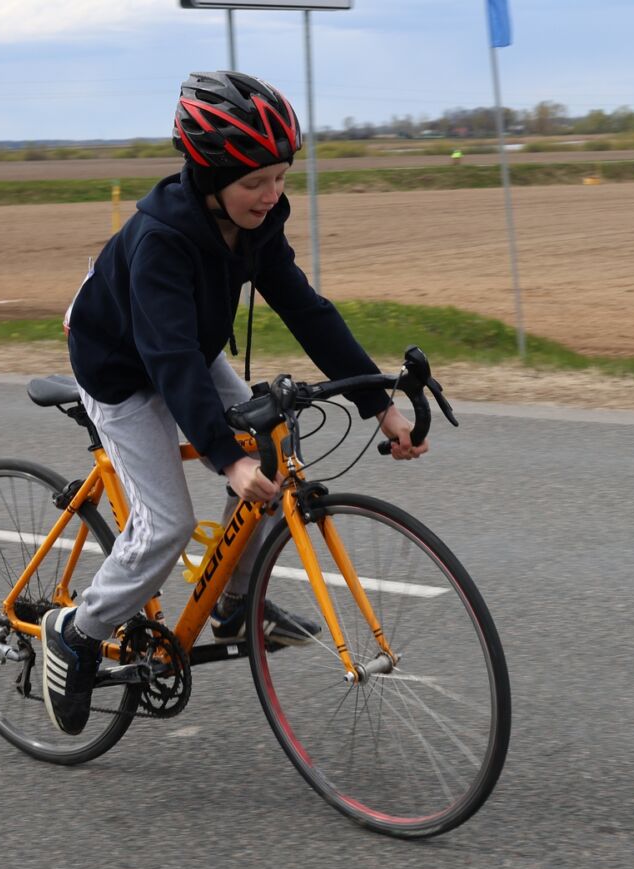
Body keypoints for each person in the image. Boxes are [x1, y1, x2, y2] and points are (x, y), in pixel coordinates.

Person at [42, 70, 428, 735]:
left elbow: (307, 311)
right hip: (120, 365)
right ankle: (76, 631)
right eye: (255, 182)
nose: (272, 194)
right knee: (165, 526)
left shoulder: (257, 224)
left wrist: (380, 405)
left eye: (280, 177)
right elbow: (168, 363)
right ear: (209, 176)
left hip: (184, 345)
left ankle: (233, 601)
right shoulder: (161, 240)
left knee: (273, 441)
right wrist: (226, 458)